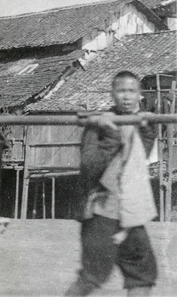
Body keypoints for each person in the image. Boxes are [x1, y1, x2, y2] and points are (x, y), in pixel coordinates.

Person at [66, 71, 158, 296]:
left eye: (132, 91)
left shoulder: (138, 122)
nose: (127, 97)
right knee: (93, 276)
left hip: (130, 214)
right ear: (112, 94)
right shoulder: (98, 124)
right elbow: (89, 167)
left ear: (139, 95)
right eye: (121, 91)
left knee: (142, 275)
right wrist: (110, 136)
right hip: (101, 212)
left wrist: (146, 128)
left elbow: (140, 158)